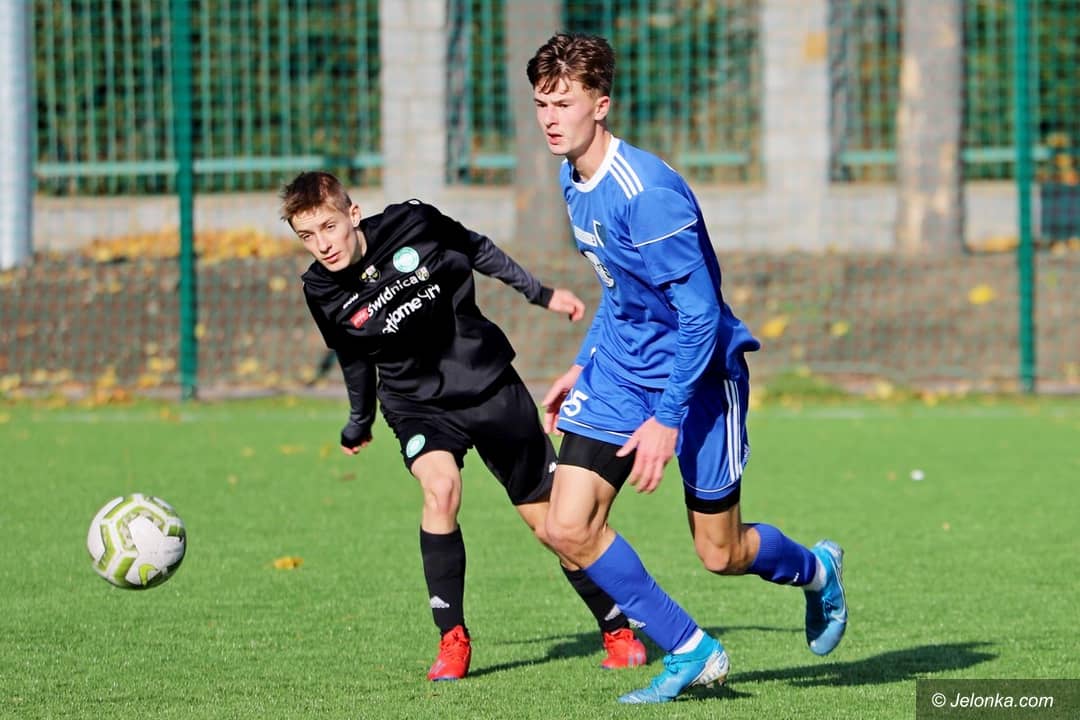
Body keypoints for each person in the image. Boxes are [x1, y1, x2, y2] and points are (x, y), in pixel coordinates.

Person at [526, 34, 848, 704]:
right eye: (541, 104)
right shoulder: (571, 178)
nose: (550, 119)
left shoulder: (646, 195)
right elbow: (619, 288)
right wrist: (583, 364)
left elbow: (699, 316)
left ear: (601, 105)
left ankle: (816, 570)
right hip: (621, 372)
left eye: (564, 103)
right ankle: (691, 648)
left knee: (720, 553)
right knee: (565, 526)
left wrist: (667, 419)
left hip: (698, 379)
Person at [279, 171, 647, 682]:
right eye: (307, 236)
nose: (323, 245)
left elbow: (477, 248)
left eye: (328, 227)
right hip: (416, 404)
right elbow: (354, 357)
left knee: (555, 527)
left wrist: (539, 293)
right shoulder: (320, 289)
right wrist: (359, 421)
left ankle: (616, 628)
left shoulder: (414, 223)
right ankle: (452, 638)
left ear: (353, 215)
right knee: (441, 491)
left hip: (487, 383)